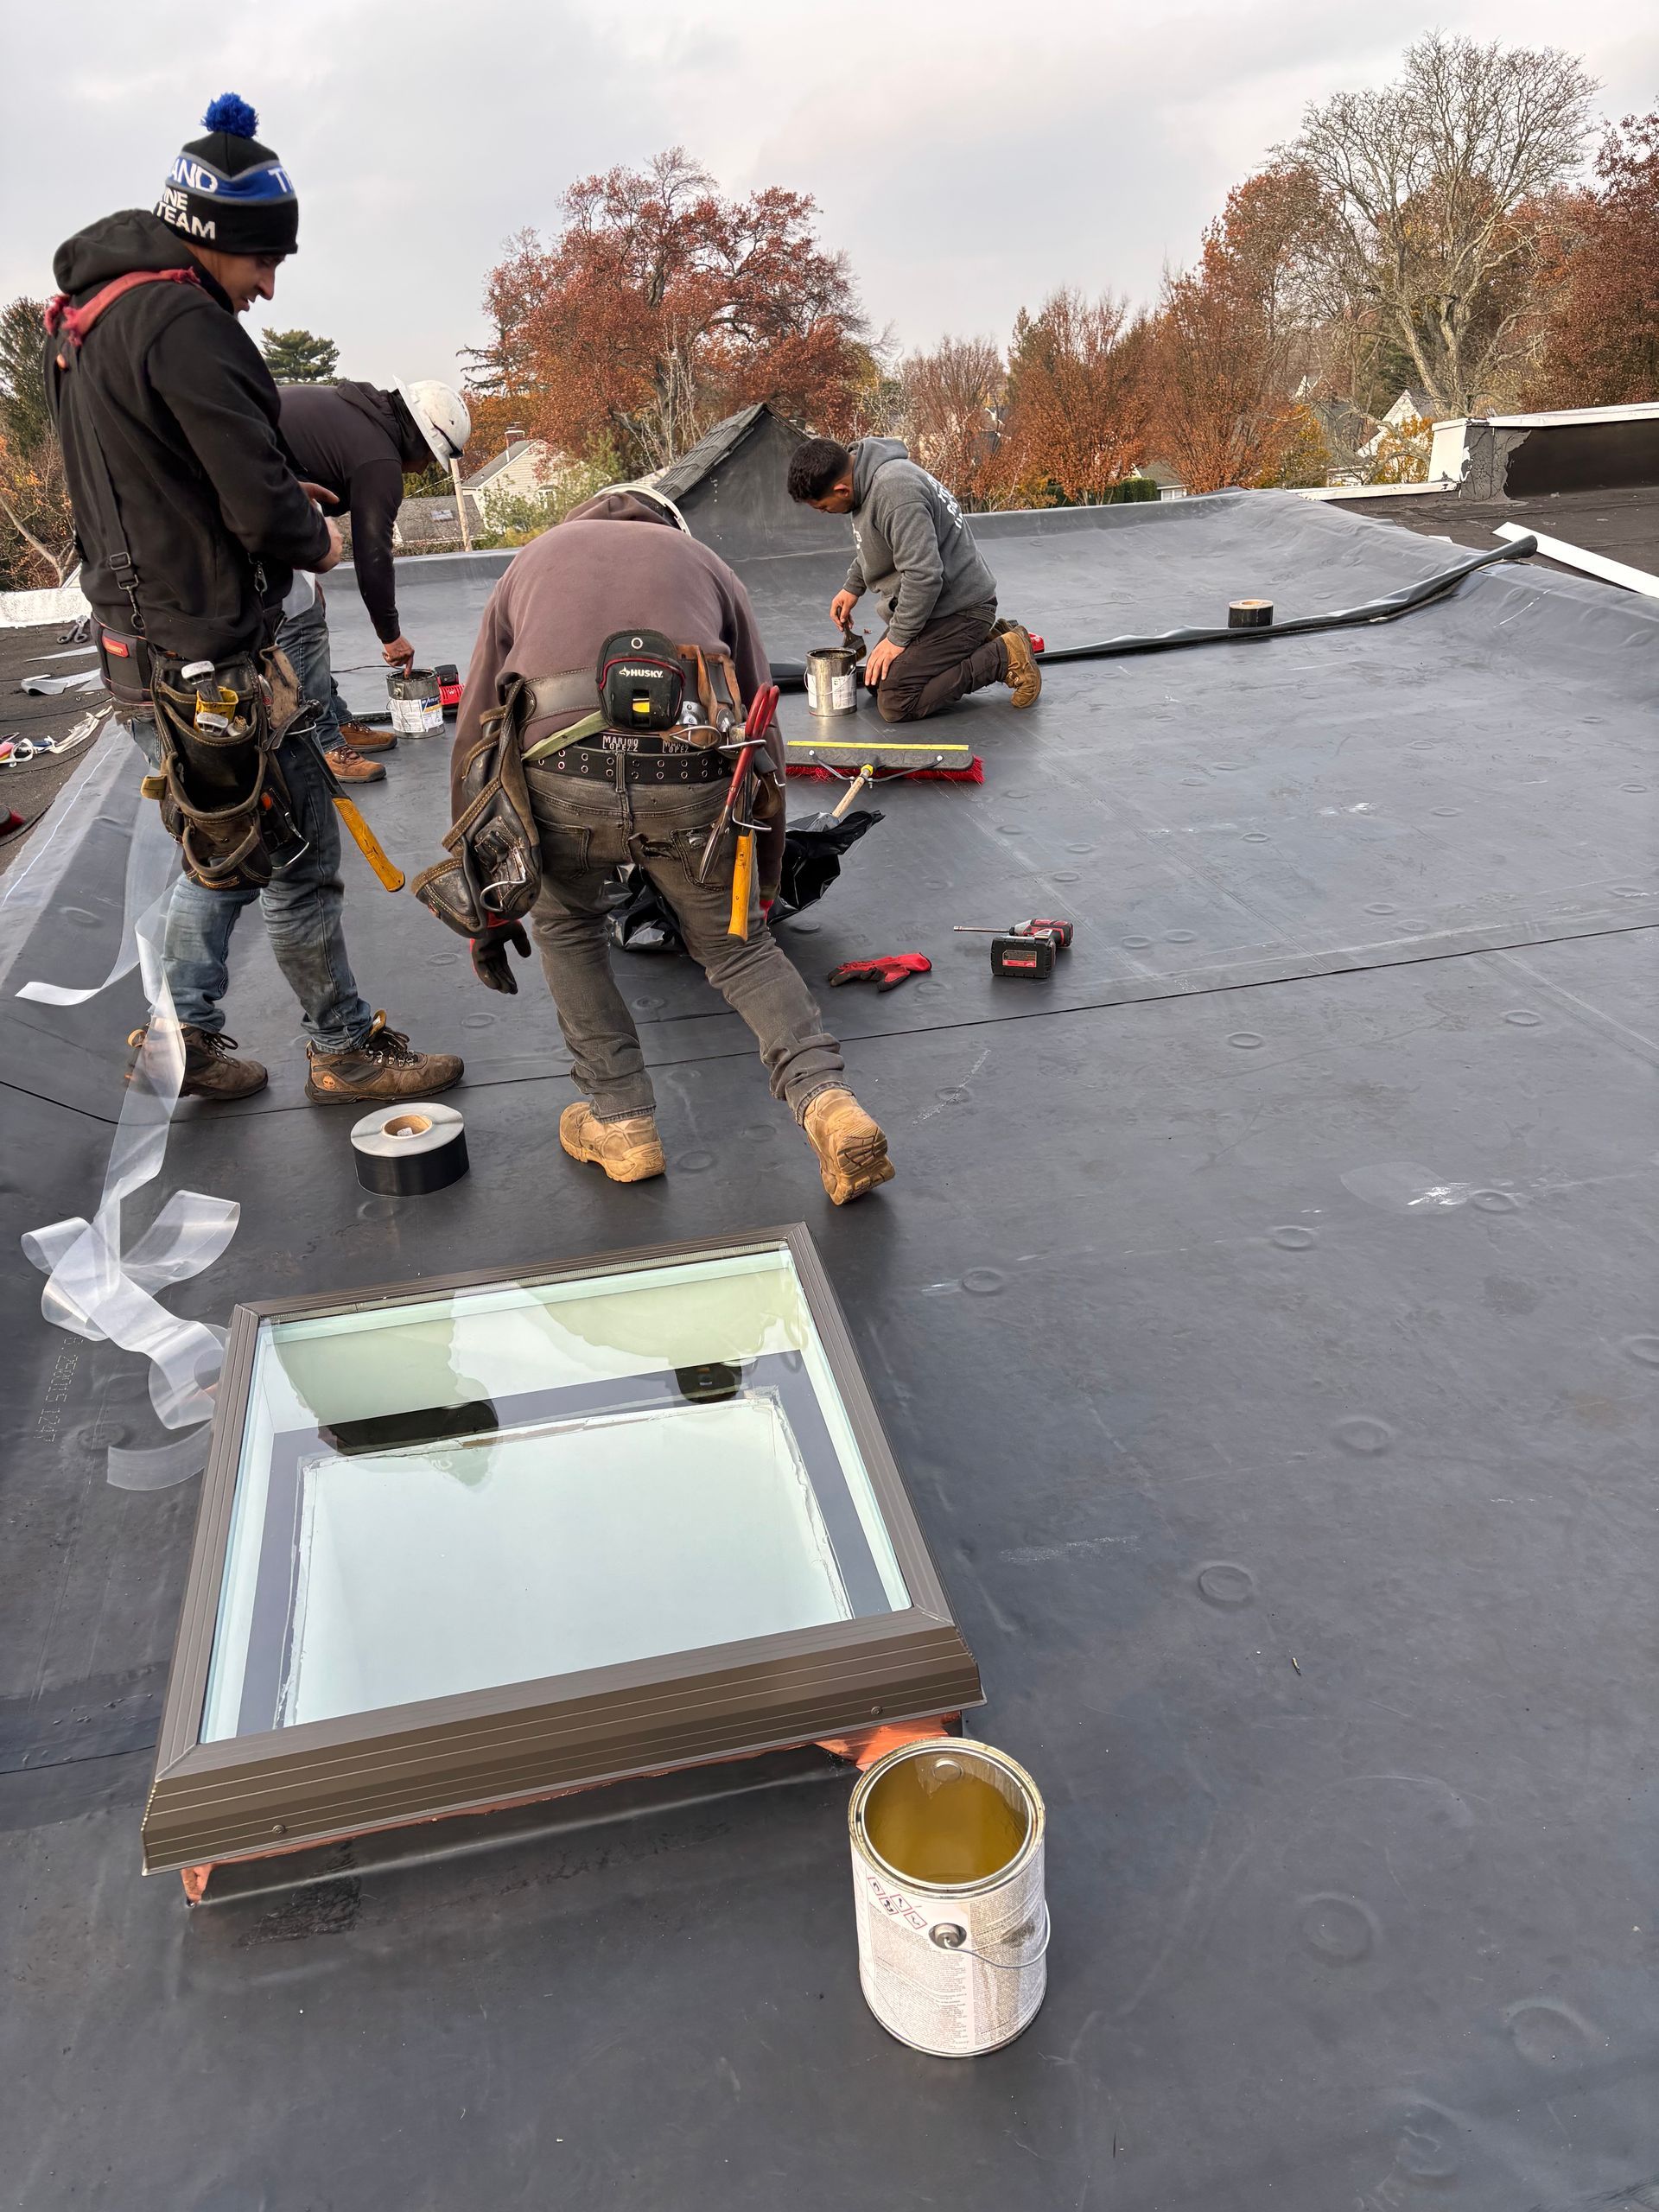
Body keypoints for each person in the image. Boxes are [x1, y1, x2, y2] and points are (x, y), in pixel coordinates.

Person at [47, 93, 461, 1105]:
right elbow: (257, 509)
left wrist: (269, 493)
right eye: (265, 260)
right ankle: (342, 1049)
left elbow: (158, 477)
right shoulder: (186, 322)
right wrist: (309, 533)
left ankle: (181, 1040)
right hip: (210, 654)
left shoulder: (89, 322)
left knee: (227, 847)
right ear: (213, 237)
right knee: (294, 855)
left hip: (136, 644)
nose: (269, 287)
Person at [453, 486, 894, 1205]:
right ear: (670, 524)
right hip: (689, 772)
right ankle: (830, 1105)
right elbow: (763, 739)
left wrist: (486, 904)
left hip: (560, 775)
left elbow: (474, 734)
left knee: (568, 926)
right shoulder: (706, 564)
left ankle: (621, 1123)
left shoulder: (530, 561)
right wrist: (762, 886)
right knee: (737, 947)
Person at [277, 377, 472, 779]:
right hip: (234, 492)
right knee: (301, 622)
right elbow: (374, 554)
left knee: (309, 608)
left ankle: (335, 720)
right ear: (419, 439)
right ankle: (323, 743)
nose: (423, 469)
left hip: (257, 487)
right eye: (429, 457)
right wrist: (391, 635)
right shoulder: (379, 459)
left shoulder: (360, 416)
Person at [786, 435, 1041, 721]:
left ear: (842, 490)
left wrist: (897, 639)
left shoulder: (895, 492)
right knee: (876, 681)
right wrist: (852, 587)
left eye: (822, 507)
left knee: (897, 700)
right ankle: (986, 642)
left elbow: (924, 575)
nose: (825, 513)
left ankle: (1003, 656)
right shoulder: (865, 479)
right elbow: (880, 545)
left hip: (961, 609)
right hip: (935, 607)